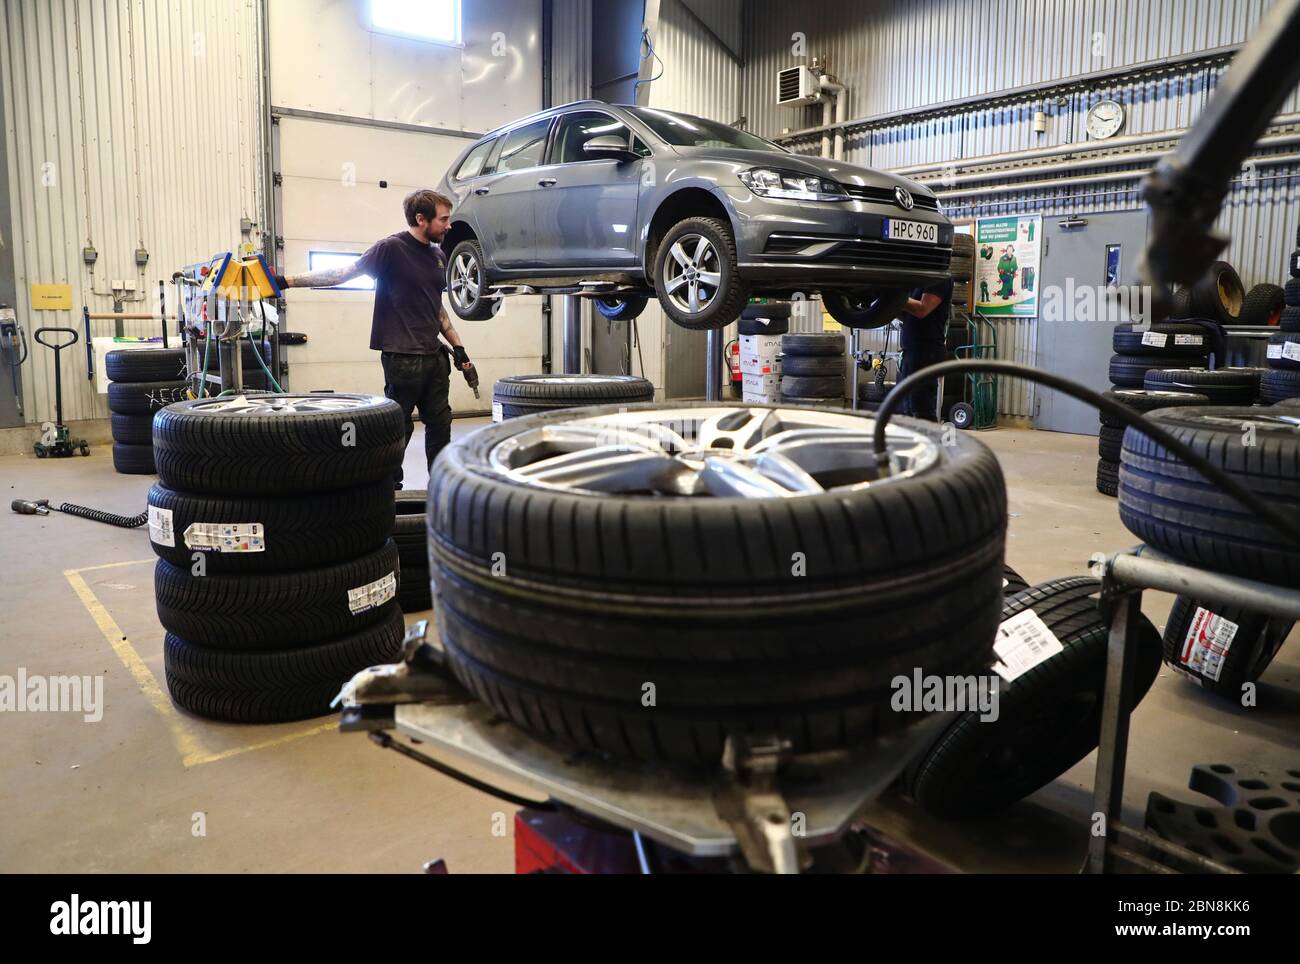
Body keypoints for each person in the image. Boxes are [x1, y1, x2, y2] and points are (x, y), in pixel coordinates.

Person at [277, 189, 476, 487]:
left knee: (440, 425)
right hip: (402, 358)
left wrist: (458, 346)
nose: (449, 226)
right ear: (421, 219)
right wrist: (287, 281)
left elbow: (436, 307)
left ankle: (442, 485)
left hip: (435, 358)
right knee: (397, 426)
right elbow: (343, 274)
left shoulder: (438, 254)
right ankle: (389, 486)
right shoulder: (391, 249)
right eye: (444, 219)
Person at [897, 275, 954, 423]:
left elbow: (922, 309)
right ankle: (914, 444)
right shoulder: (919, 280)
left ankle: (932, 444)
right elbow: (906, 314)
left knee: (921, 408)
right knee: (908, 407)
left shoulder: (940, 278)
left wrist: (893, 298)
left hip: (927, 351)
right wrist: (886, 307)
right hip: (911, 350)